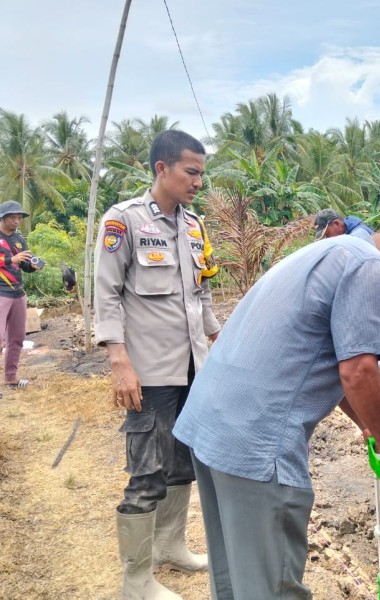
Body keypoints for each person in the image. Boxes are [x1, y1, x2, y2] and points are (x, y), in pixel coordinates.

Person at [173, 221, 380, 599]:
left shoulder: (329, 250)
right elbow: (358, 370)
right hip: (257, 440)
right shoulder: (369, 264)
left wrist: (369, 426)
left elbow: (336, 364)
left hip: (213, 425)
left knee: (235, 576)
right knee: (270, 586)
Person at [94, 130, 222, 599]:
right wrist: (118, 360)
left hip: (193, 369)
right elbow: (105, 293)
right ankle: (136, 580)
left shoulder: (194, 225)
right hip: (149, 372)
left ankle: (171, 547)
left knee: (183, 463)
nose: (198, 183)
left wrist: (216, 337)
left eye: (202, 174)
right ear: (161, 169)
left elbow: (202, 289)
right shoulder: (123, 221)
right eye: (191, 172)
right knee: (146, 473)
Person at [314, 207, 380, 406]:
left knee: (378, 341)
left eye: (327, 234)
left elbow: (365, 275)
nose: (327, 240)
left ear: (337, 224)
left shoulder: (358, 237)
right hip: (378, 292)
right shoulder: (354, 234)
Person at [0, 200, 43, 388]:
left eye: (18, 218)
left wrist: (31, 266)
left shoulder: (19, 239)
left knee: (16, 337)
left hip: (18, 292)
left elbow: (24, 264)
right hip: (1, 292)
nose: (16, 221)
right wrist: (12, 258)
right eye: (12, 217)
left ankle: (11, 377)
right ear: (3, 218)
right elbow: (12, 259)